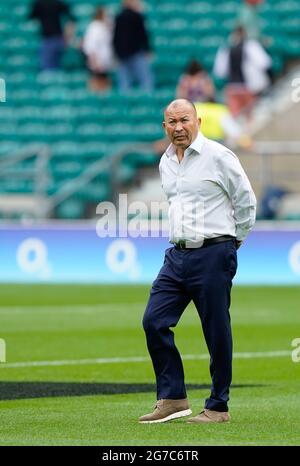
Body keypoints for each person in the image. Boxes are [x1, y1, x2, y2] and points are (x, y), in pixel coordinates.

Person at [139, 99, 256, 424]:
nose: (178, 127)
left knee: (216, 330)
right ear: (165, 127)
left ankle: (218, 406)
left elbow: (246, 200)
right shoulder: (165, 162)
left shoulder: (219, 157)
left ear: (198, 121)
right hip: (176, 255)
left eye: (184, 120)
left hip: (214, 253)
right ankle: (173, 397)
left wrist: (234, 241)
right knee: (153, 321)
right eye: (172, 122)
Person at [214, 26, 272, 118]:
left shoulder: (226, 49)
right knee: (250, 117)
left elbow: (220, 72)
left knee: (235, 117)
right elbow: (264, 63)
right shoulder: (251, 46)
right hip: (246, 87)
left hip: (232, 87)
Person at [112, 0, 154, 93]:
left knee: (125, 85)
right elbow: (143, 35)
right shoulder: (137, 16)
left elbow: (115, 38)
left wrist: (116, 53)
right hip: (134, 53)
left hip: (124, 53)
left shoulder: (120, 17)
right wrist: (148, 50)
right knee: (145, 82)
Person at [29, 0, 75, 71]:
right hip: (57, 38)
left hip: (50, 39)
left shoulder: (39, 3)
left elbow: (31, 16)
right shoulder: (55, 2)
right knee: (56, 67)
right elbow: (71, 16)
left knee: (48, 68)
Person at [82, 6, 113, 92]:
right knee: (96, 82)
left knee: (104, 83)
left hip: (104, 61)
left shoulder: (105, 27)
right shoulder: (94, 27)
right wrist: (94, 60)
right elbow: (90, 45)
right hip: (96, 61)